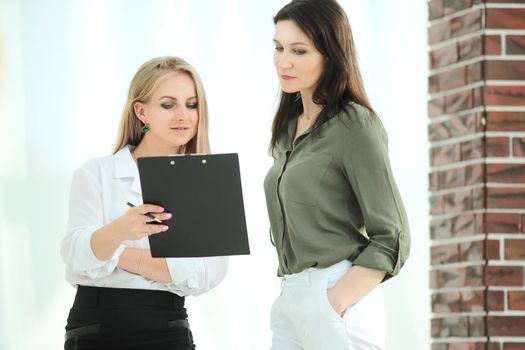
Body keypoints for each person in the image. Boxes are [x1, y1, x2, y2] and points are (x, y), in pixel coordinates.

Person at [263, 0, 411, 349]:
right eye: (278, 48)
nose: (283, 61)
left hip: (335, 295)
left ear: (330, 55)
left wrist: (333, 302)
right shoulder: (287, 129)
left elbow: (393, 236)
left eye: (299, 51)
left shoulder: (354, 125)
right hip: (290, 297)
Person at [61, 56, 228, 350]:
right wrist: (120, 230)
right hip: (96, 326)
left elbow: (205, 275)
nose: (183, 116)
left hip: (168, 326)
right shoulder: (96, 173)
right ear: (141, 111)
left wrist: (115, 251)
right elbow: (76, 256)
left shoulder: (206, 181)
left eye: (191, 104)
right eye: (168, 104)